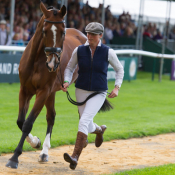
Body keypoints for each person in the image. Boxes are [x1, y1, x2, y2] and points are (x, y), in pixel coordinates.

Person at [61, 22, 124, 170]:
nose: (89, 36)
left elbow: (119, 70)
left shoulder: (108, 52)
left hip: (99, 92)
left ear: (100, 35)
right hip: (80, 90)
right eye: (88, 33)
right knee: (87, 124)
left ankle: (75, 157)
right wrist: (66, 81)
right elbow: (69, 68)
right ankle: (99, 130)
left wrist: (117, 87)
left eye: (93, 34)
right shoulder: (79, 50)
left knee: (83, 121)